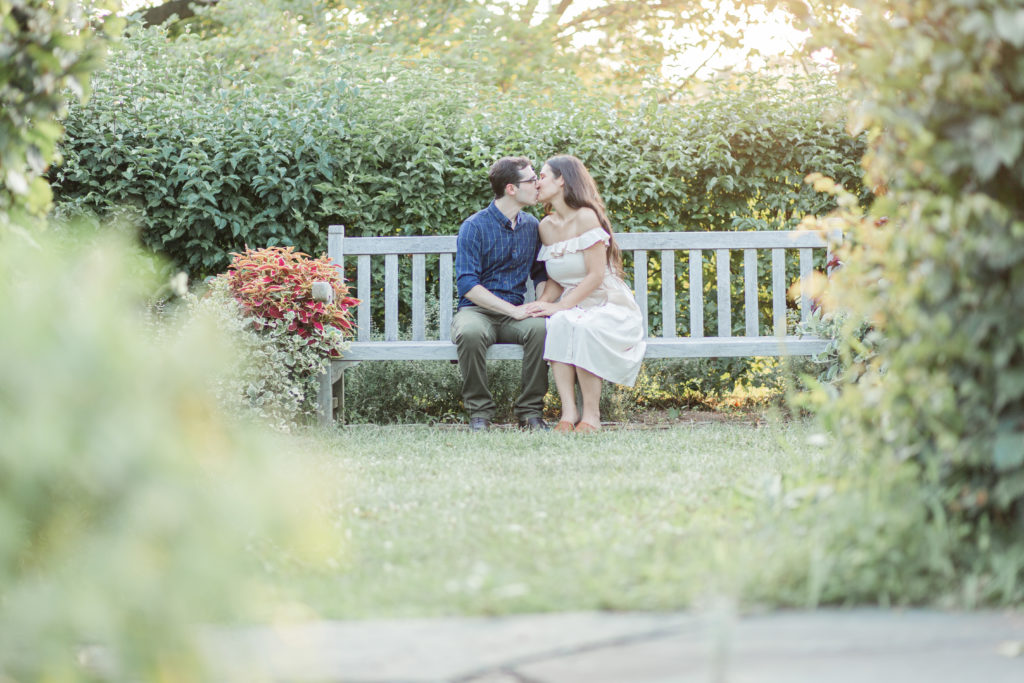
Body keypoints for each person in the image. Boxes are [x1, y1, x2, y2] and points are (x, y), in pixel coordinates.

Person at [524, 155, 646, 433]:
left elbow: (595, 275)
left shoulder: (587, 217)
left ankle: (592, 416)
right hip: (575, 303)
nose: (537, 182)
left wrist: (562, 304)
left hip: (606, 301)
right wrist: (542, 304)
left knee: (585, 326)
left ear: (562, 180)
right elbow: (556, 278)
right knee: (559, 323)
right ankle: (568, 413)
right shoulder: (546, 226)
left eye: (542, 176)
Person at [452, 156, 550, 431]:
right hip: (477, 312)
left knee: (542, 328)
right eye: (531, 180)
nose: (537, 185)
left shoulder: (532, 226)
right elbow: (468, 286)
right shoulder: (474, 227)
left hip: (515, 315)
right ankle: (479, 414)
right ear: (511, 188)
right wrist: (514, 310)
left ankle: (530, 413)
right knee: (469, 333)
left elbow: (540, 274)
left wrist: (540, 304)